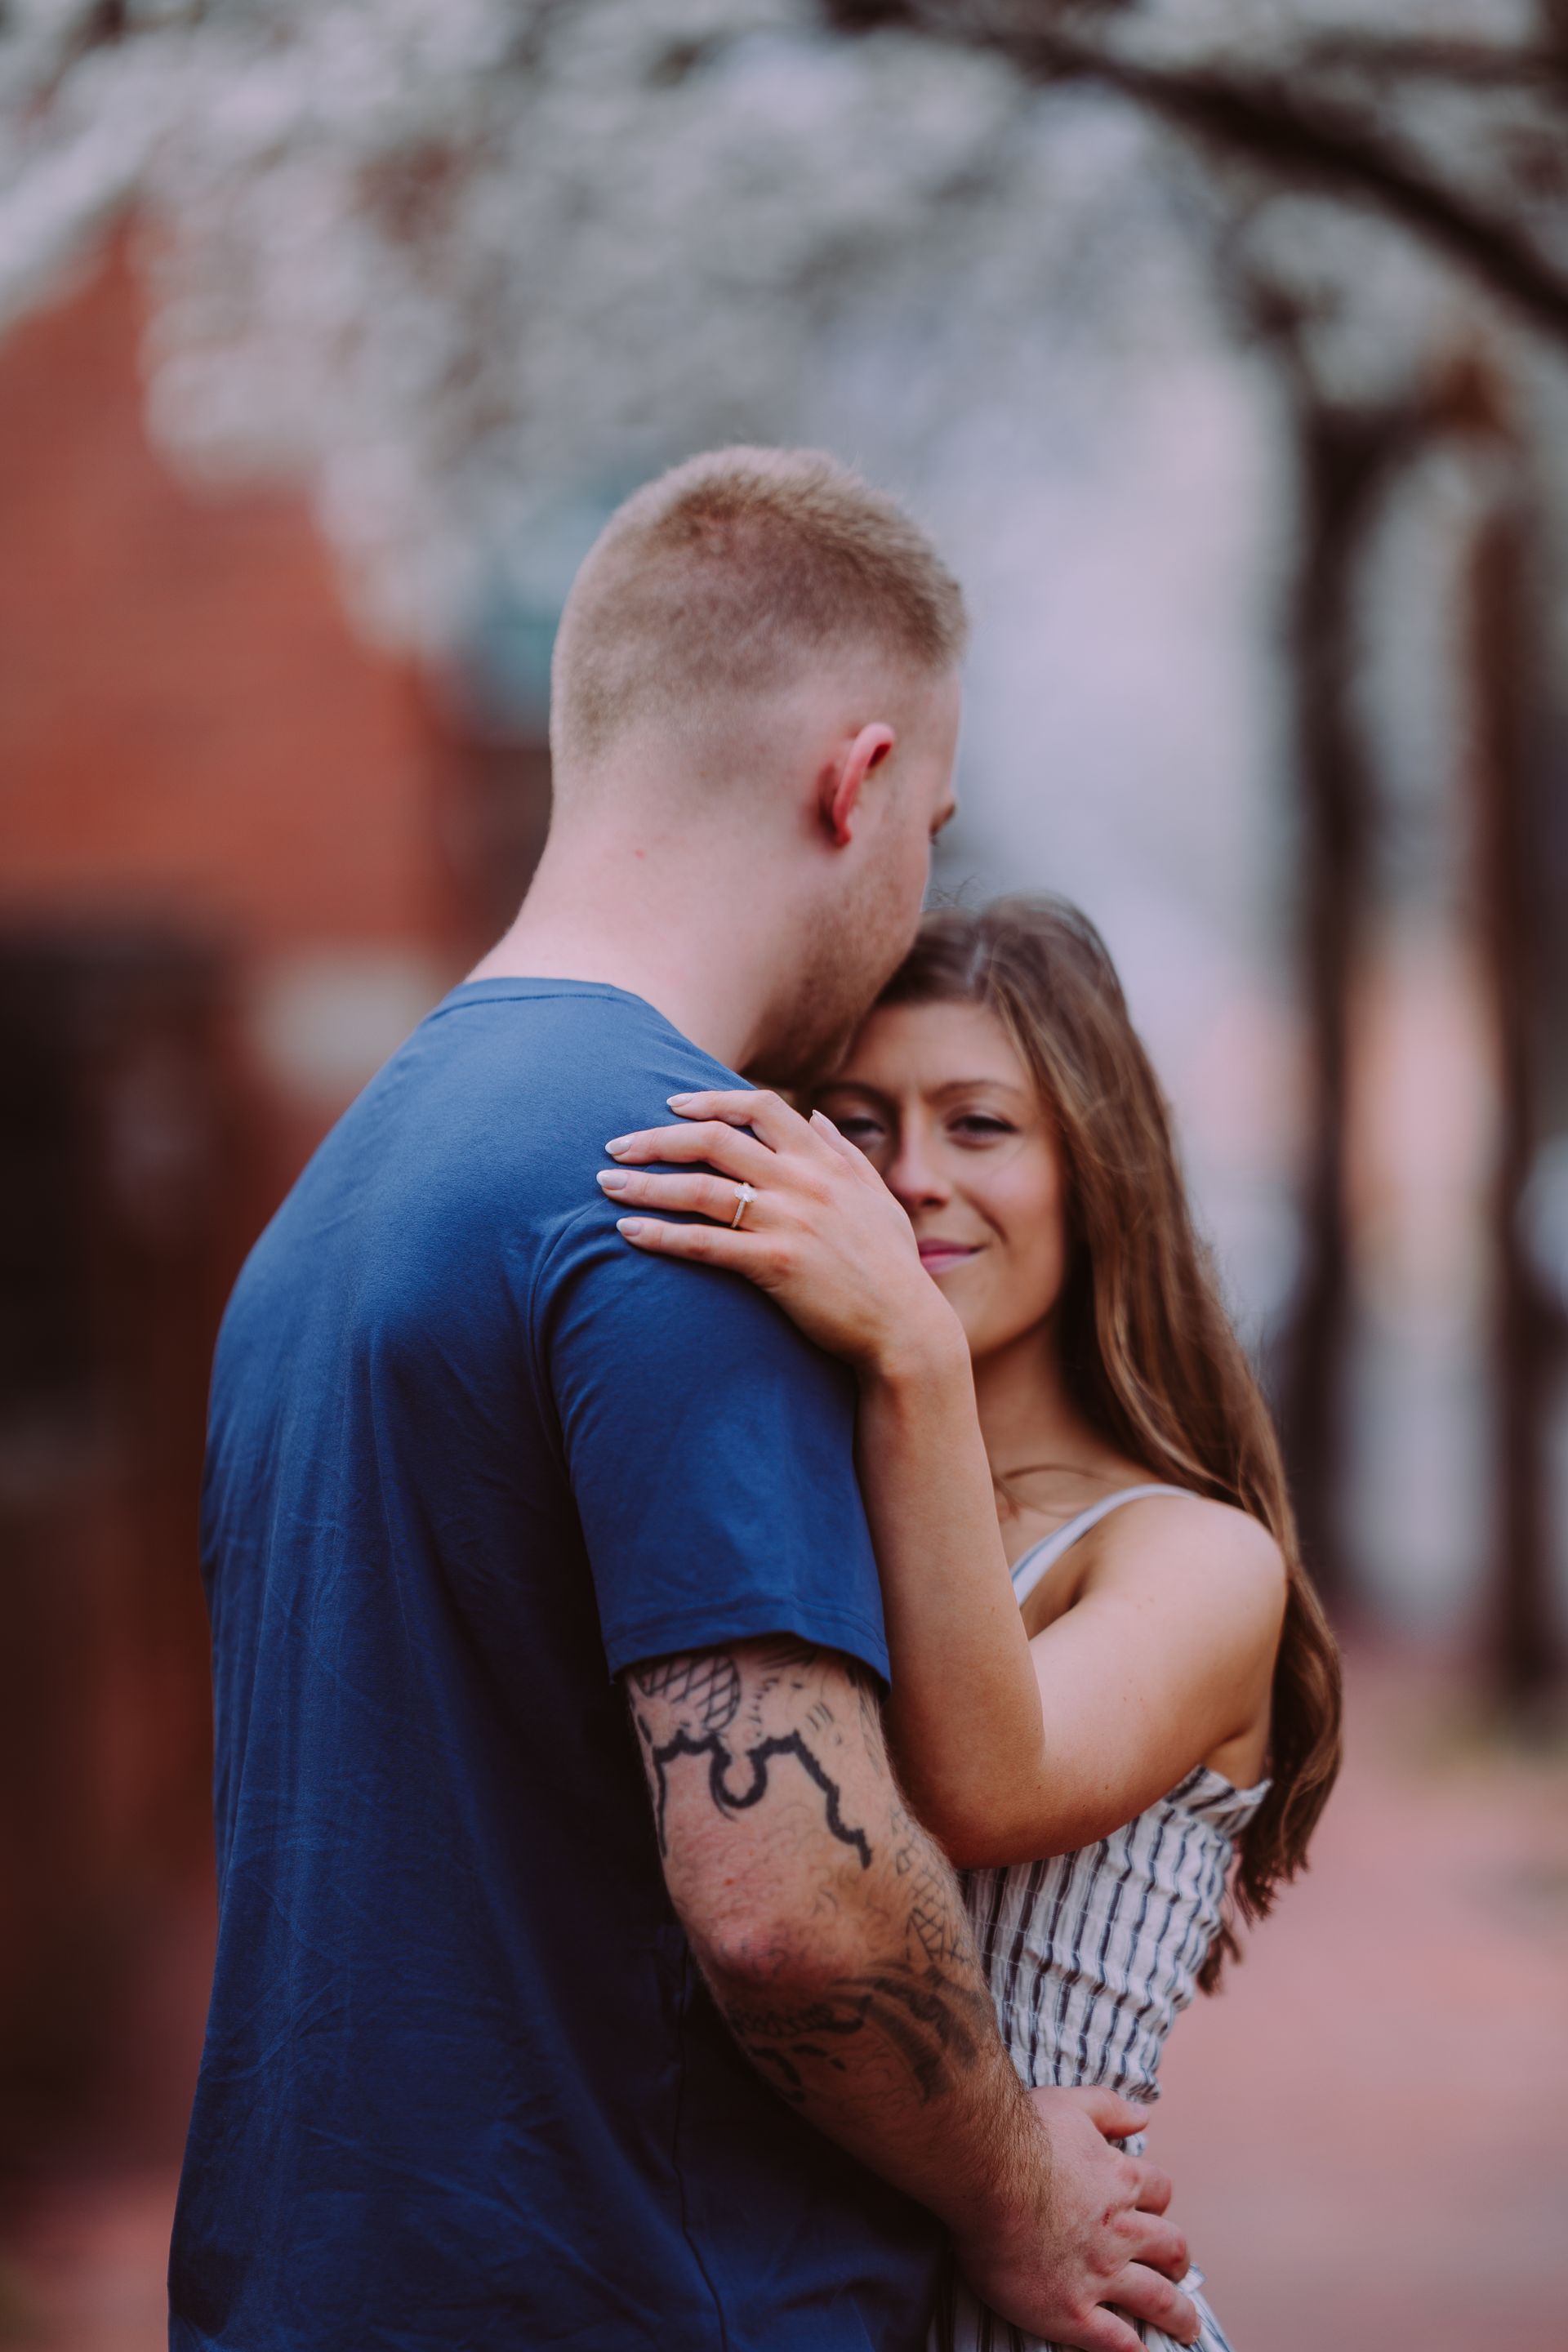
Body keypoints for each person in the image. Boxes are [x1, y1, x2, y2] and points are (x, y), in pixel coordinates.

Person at [170, 453, 1199, 2352]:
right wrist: (1019, 2187)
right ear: (857, 778)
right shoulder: (691, 1192)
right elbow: (788, 1907)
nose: (913, 903)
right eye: (932, 833)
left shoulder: (333, 1198)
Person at [595, 895, 1344, 2352]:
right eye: (859, 1124)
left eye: (981, 1125)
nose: (912, 1177)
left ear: (1092, 1170)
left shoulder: (1195, 1555)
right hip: (776, 2300)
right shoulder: (786, 1503)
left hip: (1058, 2312)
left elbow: (986, 1785)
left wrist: (913, 1357)